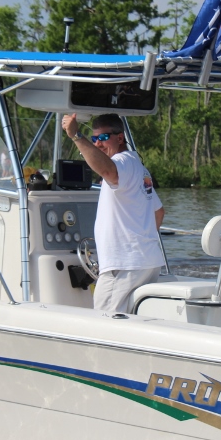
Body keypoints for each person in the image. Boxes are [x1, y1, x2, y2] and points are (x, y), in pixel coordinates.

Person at [61, 112, 165, 313]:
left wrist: (76, 136)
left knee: (105, 324)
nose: (98, 144)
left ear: (120, 138)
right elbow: (159, 212)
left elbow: (109, 171)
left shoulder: (122, 162)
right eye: (94, 139)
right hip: (146, 263)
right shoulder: (138, 167)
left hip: (123, 266)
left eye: (103, 137)